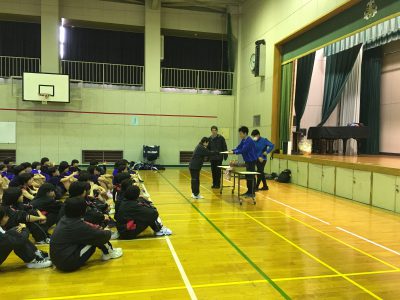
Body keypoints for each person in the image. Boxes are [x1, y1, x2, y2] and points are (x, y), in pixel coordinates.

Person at [50, 196, 122, 272]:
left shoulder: (66, 219)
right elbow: (100, 235)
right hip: (67, 263)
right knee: (96, 237)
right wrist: (107, 231)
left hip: (59, 260)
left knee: (93, 233)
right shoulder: (76, 225)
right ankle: (109, 253)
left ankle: (109, 251)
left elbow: (86, 226)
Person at [230, 126, 258, 197]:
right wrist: (232, 150)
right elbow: (239, 147)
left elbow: (243, 150)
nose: (240, 135)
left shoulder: (249, 141)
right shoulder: (243, 140)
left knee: (250, 176)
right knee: (247, 176)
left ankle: (252, 192)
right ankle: (249, 191)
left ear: (245, 133)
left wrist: (235, 152)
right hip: (247, 160)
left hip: (251, 160)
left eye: (241, 133)